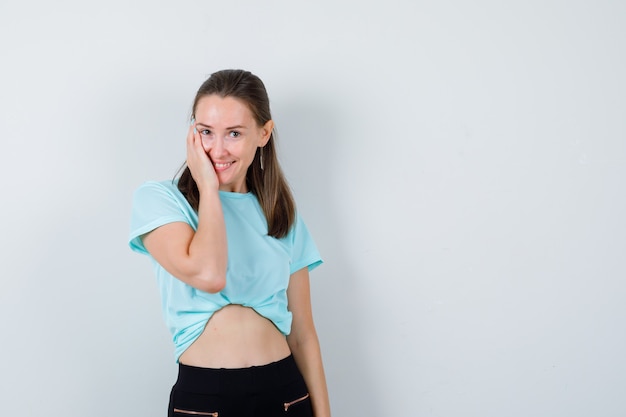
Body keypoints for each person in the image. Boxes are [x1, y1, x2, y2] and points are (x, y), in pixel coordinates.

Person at [128, 69, 331, 417]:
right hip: (206, 399)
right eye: (206, 132)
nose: (217, 149)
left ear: (263, 134)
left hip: (286, 394)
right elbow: (209, 274)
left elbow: (303, 335)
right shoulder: (161, 201)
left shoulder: (279, 213)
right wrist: (208, 188)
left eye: (234, 133)